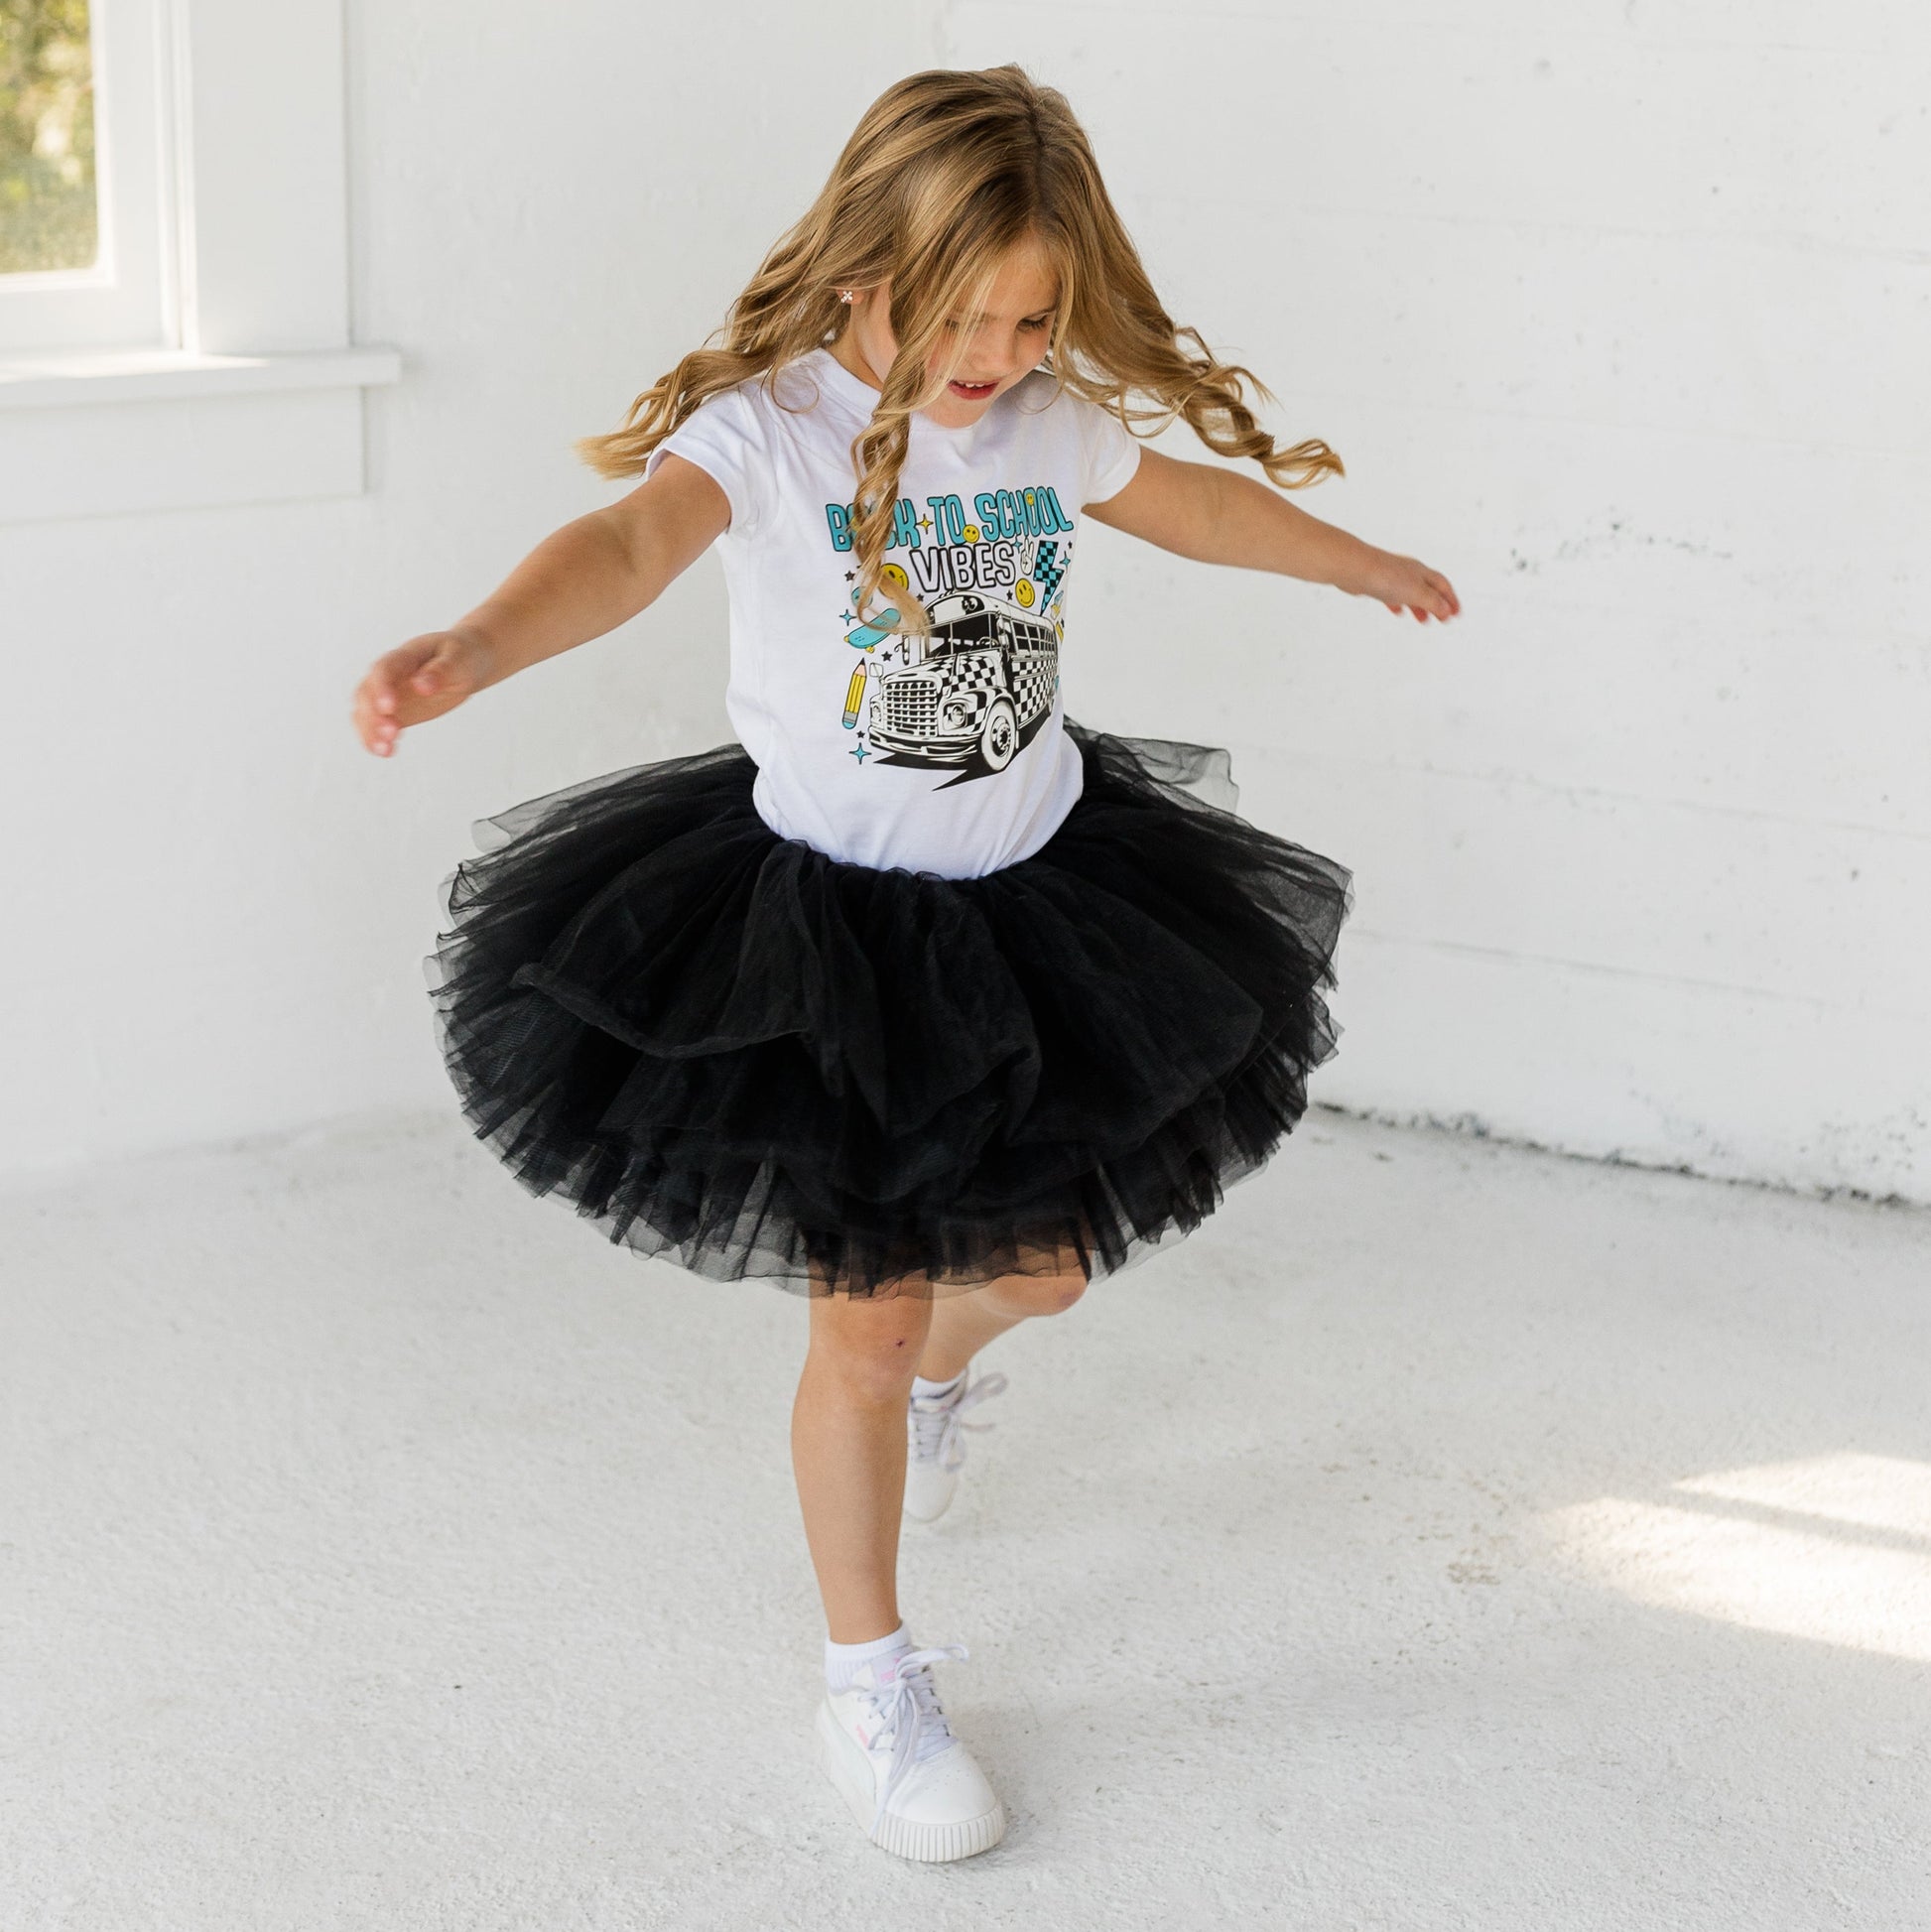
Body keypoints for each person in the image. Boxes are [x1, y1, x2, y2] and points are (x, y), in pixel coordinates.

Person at [350, 64, 1459, 1865]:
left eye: (1032, 322)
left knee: (1045, 1273)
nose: (997, 357)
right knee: (858, 1322)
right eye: (965, 319)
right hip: (829, 945)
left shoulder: (1043, 423)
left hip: (1038, 909)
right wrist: (475, 645)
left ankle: (943, 1380)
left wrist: (1358, 563)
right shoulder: (770, 429)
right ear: (867, 266)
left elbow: (1195, 507)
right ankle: (866, 1678)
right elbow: (623, 546)